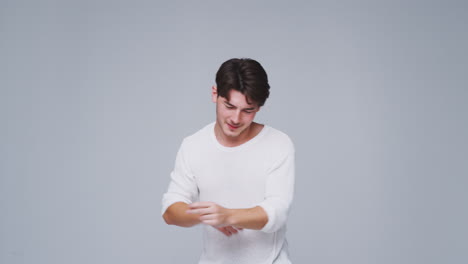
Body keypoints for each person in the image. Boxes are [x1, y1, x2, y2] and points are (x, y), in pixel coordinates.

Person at [162, 58, 295, 264]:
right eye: (229, 106)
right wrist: (206, 215)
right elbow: (170, 211)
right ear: (215, 94)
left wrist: (228, 216)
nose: (235, 118)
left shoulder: (278, 143)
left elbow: (277, 212)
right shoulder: (193, 145)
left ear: (258, 108)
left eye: (247, 110)